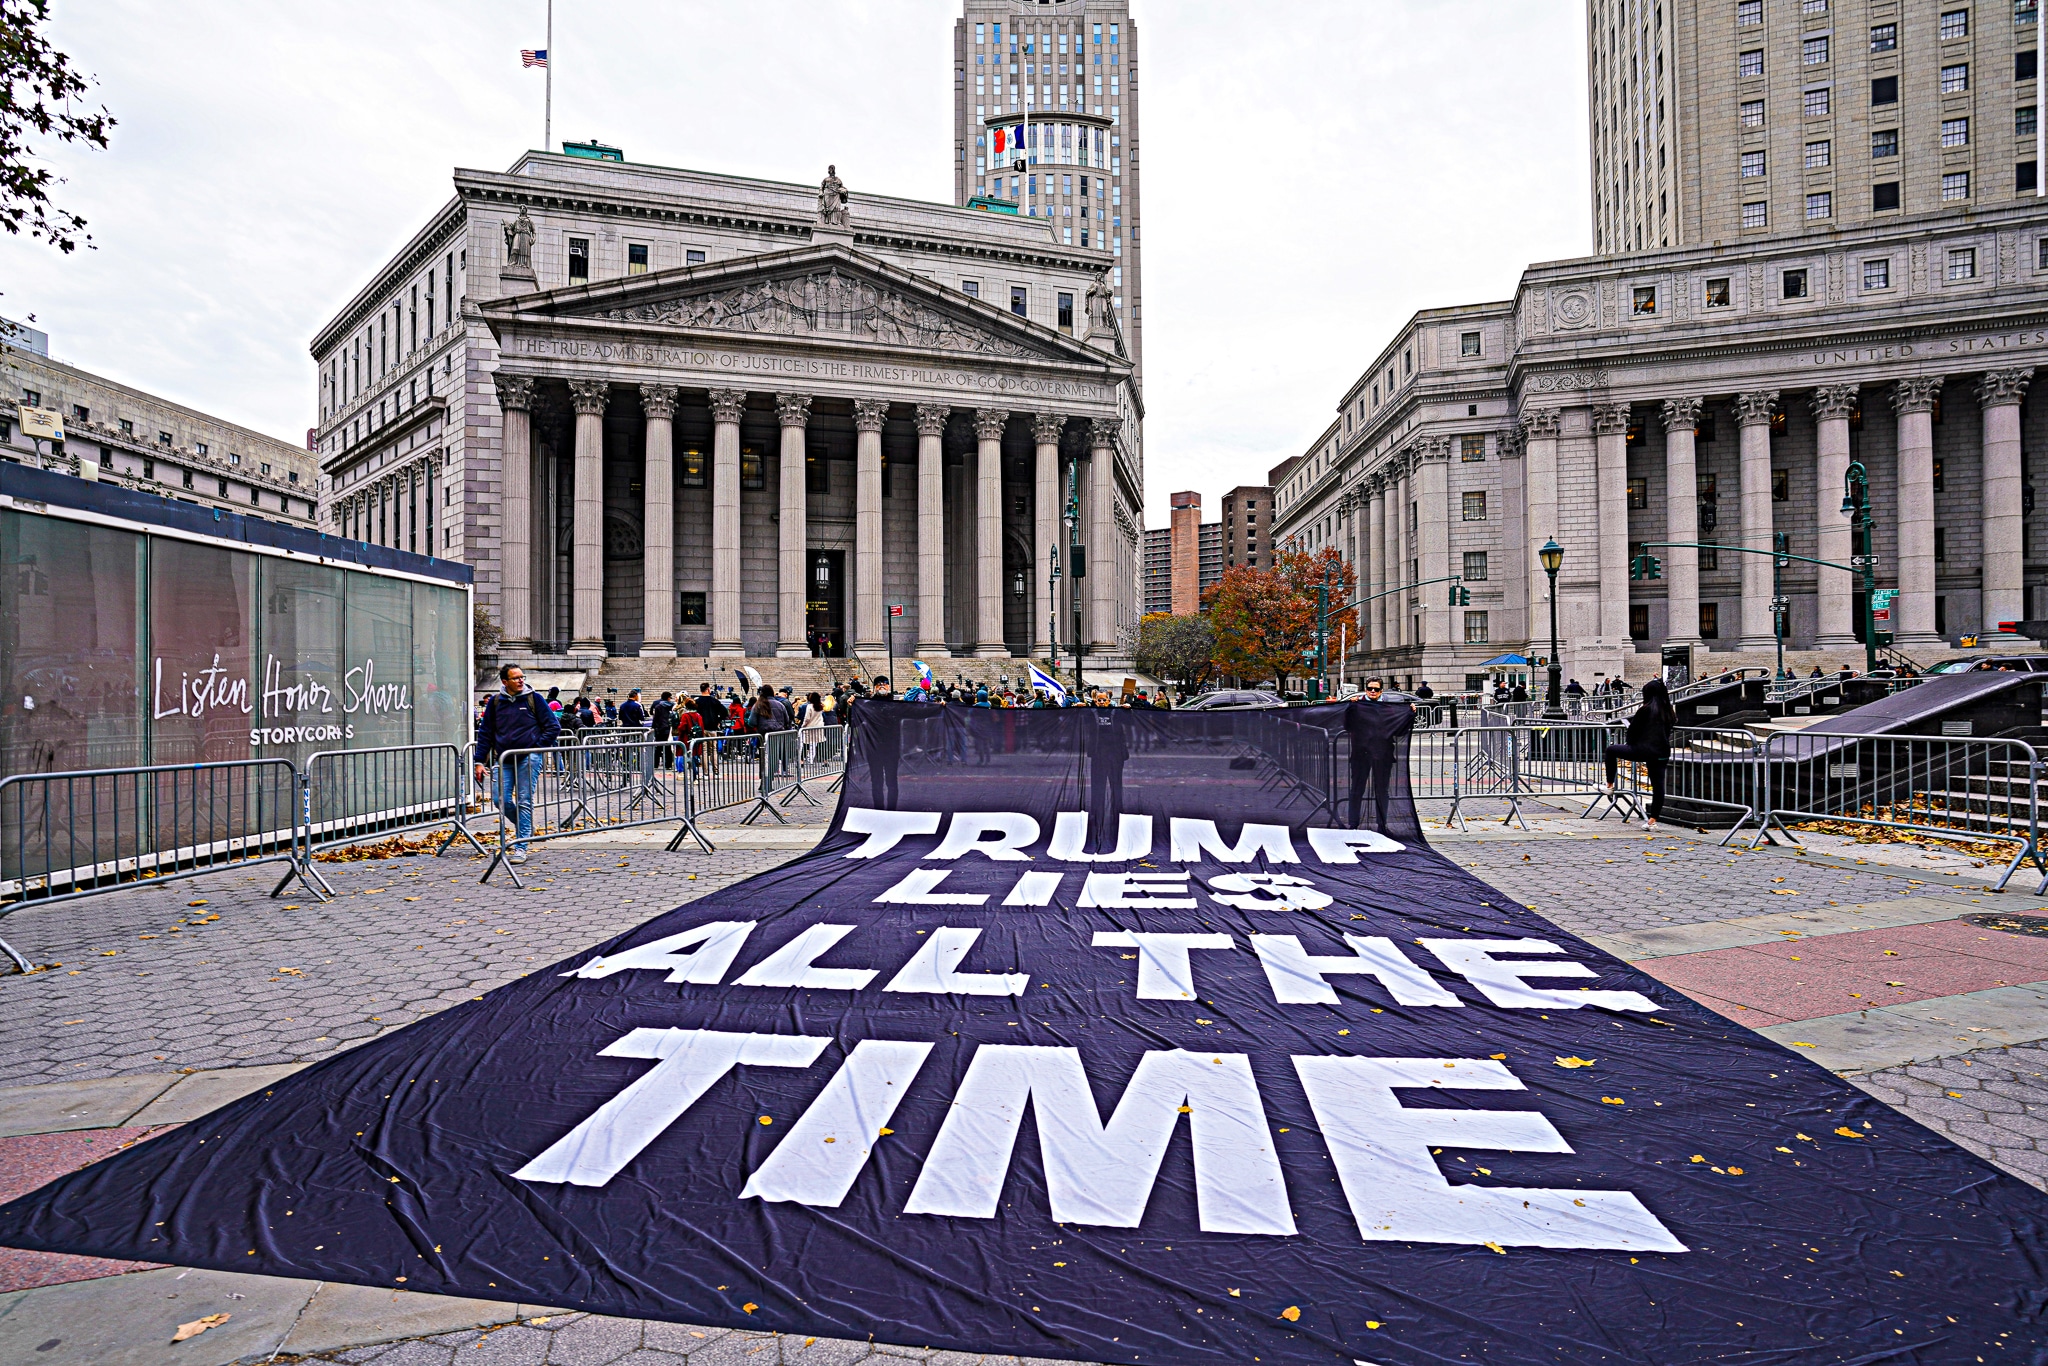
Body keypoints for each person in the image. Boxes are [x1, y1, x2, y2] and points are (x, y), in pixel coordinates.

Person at [474, 663, 560, 865]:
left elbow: (553, 727)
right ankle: (525, 828)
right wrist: (479, 761)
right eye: (516, 678)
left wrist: (535, 748)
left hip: (528, 757)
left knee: (524, 800)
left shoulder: (534, 699)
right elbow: (486, 733)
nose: (521, 680)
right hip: (504, 758)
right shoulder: (495, 702)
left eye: (522, 677)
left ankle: (521, 845)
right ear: (505, 682)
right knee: (499, 799)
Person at [1604, 677, 1676, 831]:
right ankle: (1652, 820)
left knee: (1611, 750)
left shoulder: (1645, 710)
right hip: (1661, 751)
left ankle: (1610, 785)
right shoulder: (1669, 711)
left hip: (1642, 749)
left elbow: (1633, 732)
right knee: (1658, 786)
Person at [1345, 678, 1409, 832]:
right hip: (1361, 753)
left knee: (1382, 790)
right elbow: (1348, 725)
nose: (1372, 691)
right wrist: (1350, 708)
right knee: (1356, 789)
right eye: (1370, 688)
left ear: (1381, 691)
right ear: (1365, 689)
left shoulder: (1388, 708)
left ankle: (1382, 824)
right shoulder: (1356, 706)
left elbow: (1399, 729)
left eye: (1376, 689)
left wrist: (1409, 714)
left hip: (1383, 753)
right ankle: (1353, 823)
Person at [799, 690, 828, 765]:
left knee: (806, 744)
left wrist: (803, 726)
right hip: (819, 726)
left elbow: (807, 718)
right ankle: (825, 760)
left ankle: (801, 761)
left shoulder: (809, 706)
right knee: (821, 744)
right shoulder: (820, 706)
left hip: (810, 727)